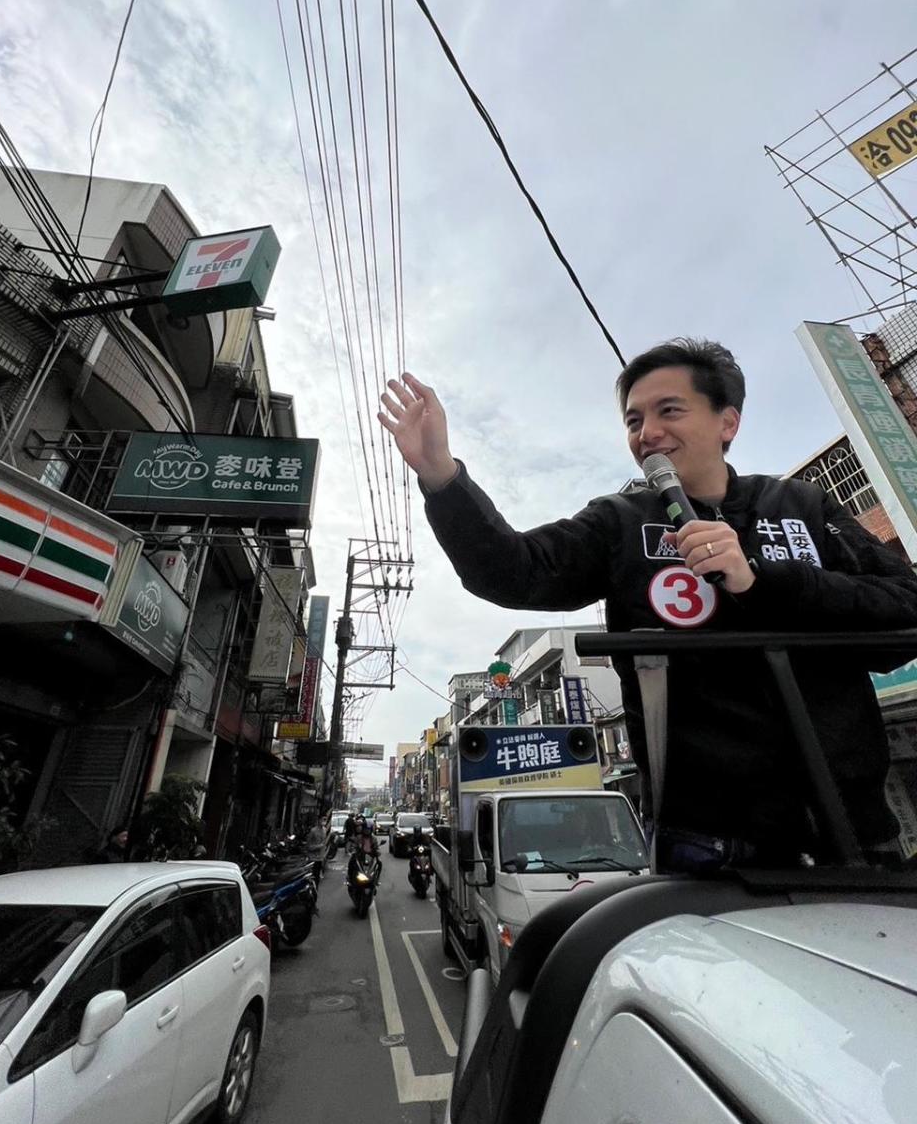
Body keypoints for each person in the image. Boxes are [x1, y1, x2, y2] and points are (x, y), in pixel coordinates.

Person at [378, 340, 917, 871]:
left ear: (727, 423)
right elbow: (514, 572)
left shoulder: (802, 506)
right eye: (634, 421)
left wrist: (760, 581)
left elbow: (904, 609)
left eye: (669, 411)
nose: (647, 434)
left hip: (857, 833)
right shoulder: (620, 520)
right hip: (707, 843)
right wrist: (442, 476)